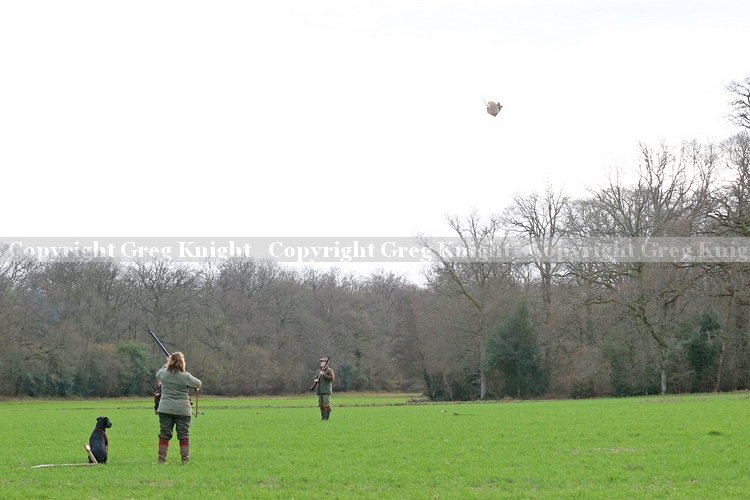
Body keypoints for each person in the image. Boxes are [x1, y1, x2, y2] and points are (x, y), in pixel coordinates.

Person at [156, 352, 201, 464]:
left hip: (165, 409)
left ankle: (161, 460)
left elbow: (158, 374)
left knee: (164, 435)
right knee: (183, 435)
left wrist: (166, 363)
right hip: (183, 410)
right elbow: (198, 384)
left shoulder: (164, 374)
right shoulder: (186, 376)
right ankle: (185, 460)